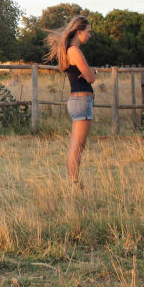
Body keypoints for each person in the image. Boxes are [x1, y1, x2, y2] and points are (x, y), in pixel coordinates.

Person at [45, 16, 97, 189]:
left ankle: (73, 183)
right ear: (79, 31)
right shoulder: (74, 51)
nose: (89, 35)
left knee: (76, 146)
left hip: (77, 100)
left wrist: (90, 72)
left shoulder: (69, 51)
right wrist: (94, 72)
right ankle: (74, 184)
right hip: (82, 100)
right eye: (88, 31)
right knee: (77, 147)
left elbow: (87, 75)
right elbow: (90, 78)